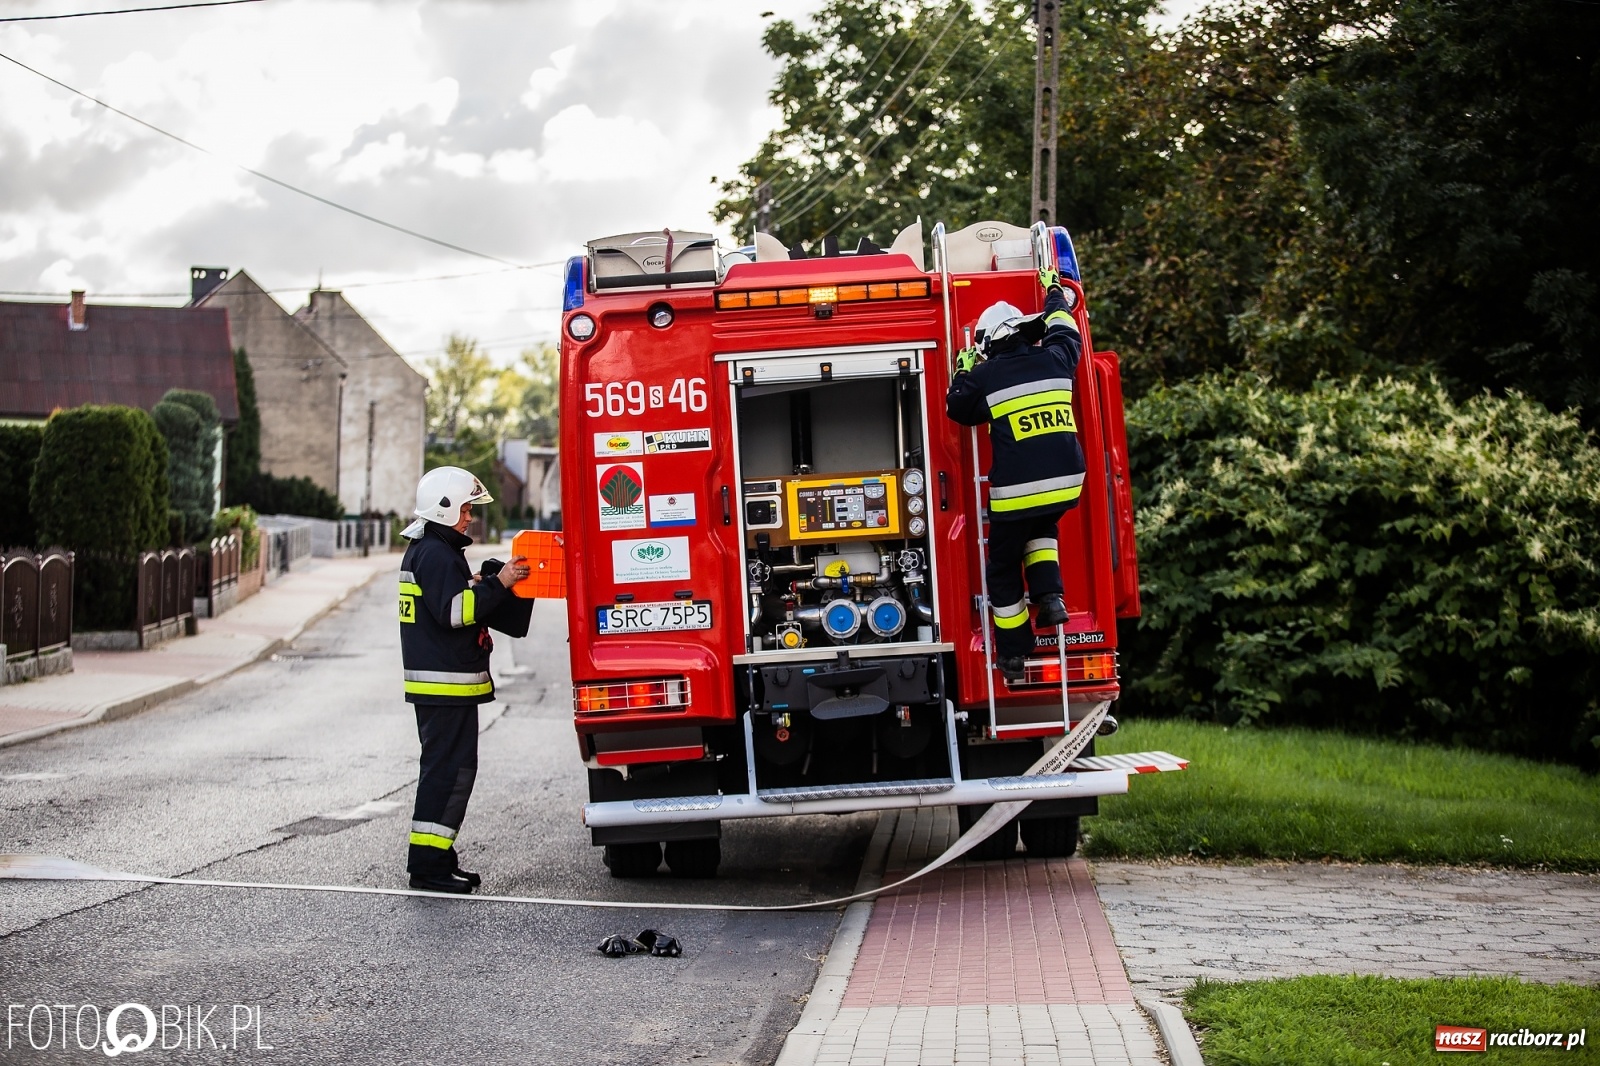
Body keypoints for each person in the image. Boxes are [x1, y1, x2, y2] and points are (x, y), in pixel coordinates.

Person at [946, 266, 1086, 683]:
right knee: (1041, 528)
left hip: (1018, 491)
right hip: (1067, 482)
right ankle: (1051, 597)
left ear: (991, 344)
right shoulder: (1057, 355)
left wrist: (963, 366)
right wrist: (1054, 292)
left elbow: (957, 407)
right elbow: (1065, 327)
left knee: (1003, 566)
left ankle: (1012, 654)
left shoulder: (986, 375)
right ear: (1025, 332)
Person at [397, 466, 533, 894]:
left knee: (451, 772)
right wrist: (501, 583)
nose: (470, 516)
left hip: (446, 686)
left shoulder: (434, 549)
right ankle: (428, 867)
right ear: (445, 507)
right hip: (444, 687)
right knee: (446, 774)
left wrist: (481, 582)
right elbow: (454, 611)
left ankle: (439, 858)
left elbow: (448, 599)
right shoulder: (435, 554)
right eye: (466, 508)